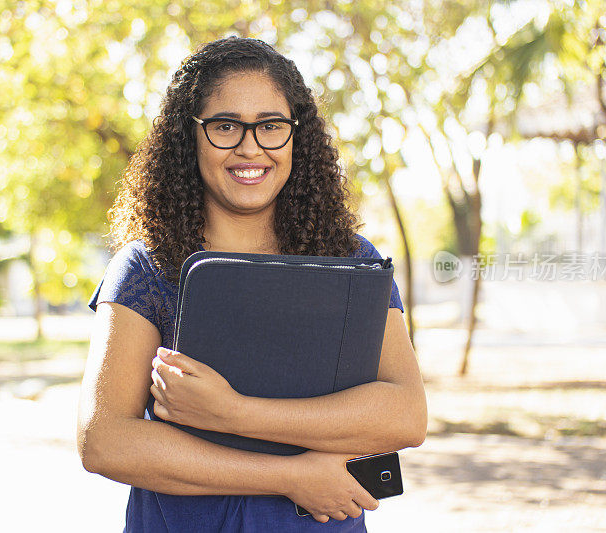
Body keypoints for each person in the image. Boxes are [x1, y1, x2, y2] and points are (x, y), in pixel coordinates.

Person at [77, 36, 427, 532]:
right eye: (225, 126)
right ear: (188, 136)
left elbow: (405, 416)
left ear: (295, 137)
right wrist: (289, 474)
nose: (250, 147)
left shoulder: (348, 260)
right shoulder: (147, 267)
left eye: (270, 127)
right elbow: (104, 441)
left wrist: (233, 412)